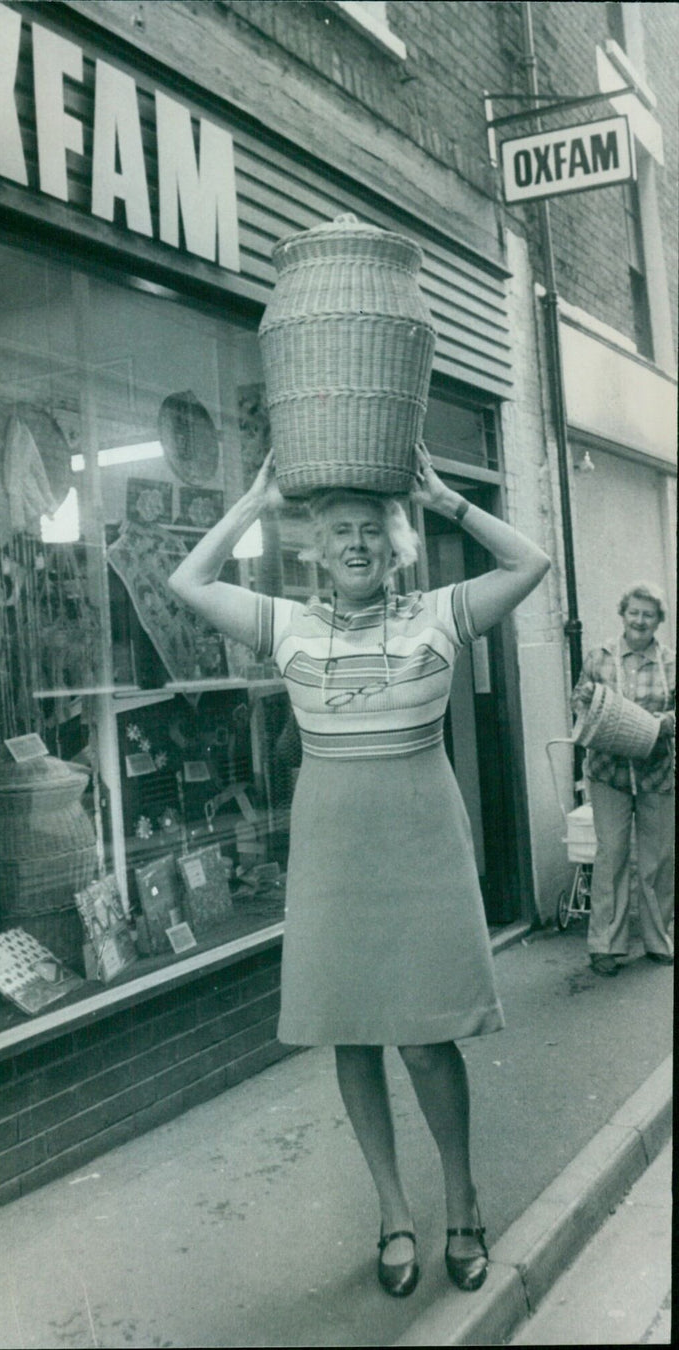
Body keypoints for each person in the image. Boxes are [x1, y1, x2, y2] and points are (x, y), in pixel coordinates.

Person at [169, 444, 550, 1297]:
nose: (355, 544)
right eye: (339, 531)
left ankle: (462, 1203)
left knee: (424, 1038)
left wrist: (447, 498)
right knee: (352, 1033)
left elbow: (533, 560)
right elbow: (188, 583)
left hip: (421, 849)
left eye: (371, 532)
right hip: (334, 856)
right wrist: (253, 502)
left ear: (395, 544)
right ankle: (392, 1212)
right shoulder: (288, 625)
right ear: (316, 547)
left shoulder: (442, 613)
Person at [570, 583, 675, 976]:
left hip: (658, 771)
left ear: (658, 621)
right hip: (609, 772)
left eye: (648, 615)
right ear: (623, 613)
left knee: (658, 860)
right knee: (611, 854)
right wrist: (594, 712)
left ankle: (659, 941)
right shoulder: (600, 657)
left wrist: (660, 723)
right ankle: (605, 946)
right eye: (634, 612)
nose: (640, 621)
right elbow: (579, 699)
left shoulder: (671, 662)